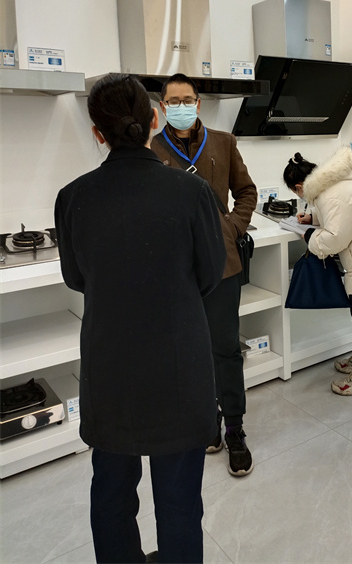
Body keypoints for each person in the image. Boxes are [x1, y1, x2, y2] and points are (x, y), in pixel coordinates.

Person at [54, 74, 226, 563]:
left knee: (111, 494)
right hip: (179, 368)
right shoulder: (191, 192)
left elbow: (75, 277)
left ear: (97, 132)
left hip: (110, 370)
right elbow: (210, 273)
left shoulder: (73, 198)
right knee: (179, 501)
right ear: (154, 119)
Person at [151, 73, 257, 476]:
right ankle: (207, 419)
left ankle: (235, 429)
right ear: (162, 107)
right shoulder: (152, 148)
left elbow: (247, 192)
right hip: (176, 271)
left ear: (198, 104)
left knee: (226, 350)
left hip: (221, 264)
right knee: (188, 352)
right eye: (173, 101)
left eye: (187, 100)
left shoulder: (223, 142)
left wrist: (232, 227)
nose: (181, 106)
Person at [283, 148, 352, 395]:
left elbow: (336, 238)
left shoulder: (331, 195)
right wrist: (313, 219)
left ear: (299, 187)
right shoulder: (336, 183)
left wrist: (310, 236)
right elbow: (342, 213)